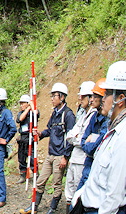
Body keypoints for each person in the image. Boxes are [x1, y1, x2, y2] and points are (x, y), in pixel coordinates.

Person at [73, 61, 126, 214]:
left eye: (107, 93)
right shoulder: (113, 128)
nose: (103, 98)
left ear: (120, 99)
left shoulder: (123, 136)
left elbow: (114, 193)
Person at [20, 83, 76, 214]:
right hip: (51, 154)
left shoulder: (68, 115)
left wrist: (65, 157)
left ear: (62, 97)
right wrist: (40, 134)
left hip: (60, 156)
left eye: (54, 96)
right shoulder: (55, 113)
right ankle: (34, 206)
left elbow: (71, 137)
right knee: (40, 181)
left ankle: (52, 209)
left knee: (57, 183)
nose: (52, 98)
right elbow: (50, 130)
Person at [64, 81, 95, 209]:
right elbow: (70, 135)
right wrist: (78, 139)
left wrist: (78, 140)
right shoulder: (83, 115)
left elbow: (83, 141)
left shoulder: (93, 116)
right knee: (69, 191)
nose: (80, 99)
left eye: (82, 97)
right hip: (74, 158)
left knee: (79, 192)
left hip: (83, 160)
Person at [77, 78, 109, 190]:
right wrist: (89, 143)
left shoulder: (107, 121)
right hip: (88, 164)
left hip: (97, 167)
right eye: (92, 96)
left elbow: (94, 147)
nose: (92, 100)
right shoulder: (94, 117)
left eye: (95, 96)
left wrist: (90, 142)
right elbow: (83, 140)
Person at [15, 94, 40, 183]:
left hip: (31, 138)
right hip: (23, 138)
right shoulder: (21, 113)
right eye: (20, 104)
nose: (21, 105)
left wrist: (31, 105)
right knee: (21, 158)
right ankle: (23, 175)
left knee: (32, 158)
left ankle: (36, 175)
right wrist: (27, 109)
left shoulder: (32, 113)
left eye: (23, 103)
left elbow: (36, 113)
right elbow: (20, 119)